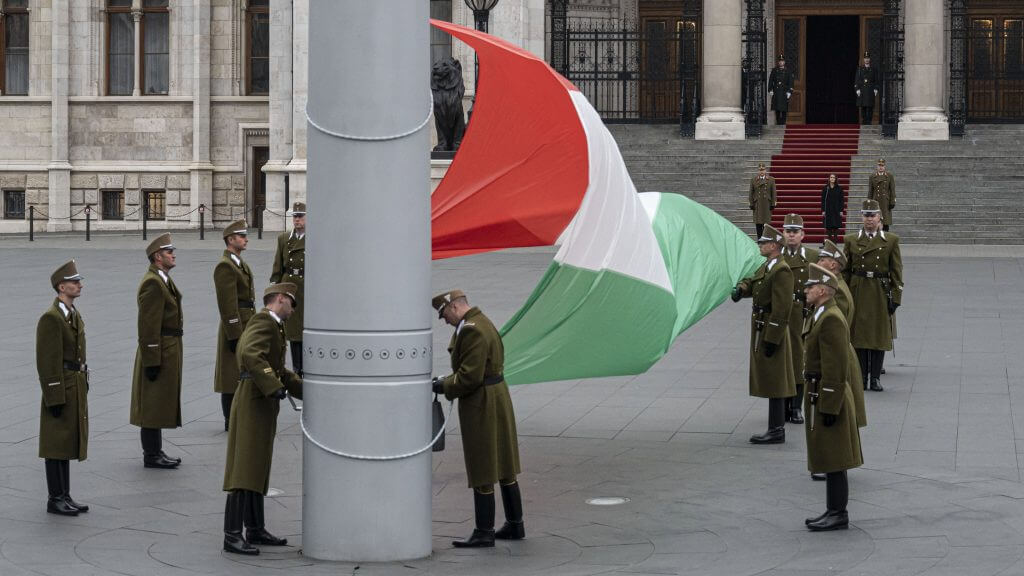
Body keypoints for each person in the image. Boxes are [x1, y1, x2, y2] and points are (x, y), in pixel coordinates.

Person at [432, 290, 523, 548]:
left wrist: (443, 385)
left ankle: (484, 531)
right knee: (505, 463)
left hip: (482, 401)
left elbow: (469, 377)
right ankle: (516, 524)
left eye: (443, 314)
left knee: (482, 462)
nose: (443, 320)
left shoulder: (471, 330)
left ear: (454, 308)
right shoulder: (481, 321)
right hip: (497, 397)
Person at [222, 283, 303, 556]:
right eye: (292, 303)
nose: (294, 309)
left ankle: (255, 528)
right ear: (280, 299)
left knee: (257, 467)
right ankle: (232, 535)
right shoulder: (263, 321)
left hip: (261, 402)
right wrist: (273, 384)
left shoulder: (275, 324)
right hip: (252, 401)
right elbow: (249, 354)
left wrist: (306, 390)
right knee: (244, 468)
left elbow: (278, 369)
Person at [802, 263, 863, 531]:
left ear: (824, 290)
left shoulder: (831, 319)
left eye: (811, 286)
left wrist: (829, 404)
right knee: (829, 455)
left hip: (829, 396)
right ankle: (832, 509)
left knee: (836, 458)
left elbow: (836, 367)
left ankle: (838, 512)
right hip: (821, 393)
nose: (806, 289)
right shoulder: (820, 313)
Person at [732, 225, 796, 444]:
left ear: (774, 246)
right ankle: (775, 427)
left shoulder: (782, 270)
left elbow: (782, 308)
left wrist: (772, 337)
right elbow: (755, 283)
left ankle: (777, 429)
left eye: (763, 242)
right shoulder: (768, 266)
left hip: (770, 329)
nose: (759, 245)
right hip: (762, 326)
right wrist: (741, 290)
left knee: (775, 378)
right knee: (770, 377)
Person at [36, 260, 90, 516]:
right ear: (61, 286)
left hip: (74, 383)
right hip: (60, 387)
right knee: (55, 444)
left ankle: (65, 495)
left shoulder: (73, 313)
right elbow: (47, 362)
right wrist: (54, 396)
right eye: (74, 282)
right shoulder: (51, 318)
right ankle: (54, 498)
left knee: (66, 441)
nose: (79, 285)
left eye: (78, 281)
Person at [130, 233, 184, 469]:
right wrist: (152, 359)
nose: (173, 255)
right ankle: (151, 454)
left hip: (169, 346)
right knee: (153, 401)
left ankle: (156, 450)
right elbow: (148, 325)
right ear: (157, 257)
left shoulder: (162, 279)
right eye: (169, 252)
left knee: (160, 399)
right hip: (158, 348)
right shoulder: (152, 283)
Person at [843, 200, 903, 393]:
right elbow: (845, 271)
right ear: (862, 217)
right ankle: (861, 376)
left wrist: (895, 297)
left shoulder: (891, 240)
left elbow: (896, 271)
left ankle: (875, 377)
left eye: (873, 215)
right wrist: (843, 295)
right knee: (859, 335)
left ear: (880, 218)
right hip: (858, 289)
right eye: (866, 215)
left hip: (879, 290)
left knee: (878, 335)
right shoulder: (851, 240)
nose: (869, 219)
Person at [817, 240, 866, 432]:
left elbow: (835, 328)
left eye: (823, 259)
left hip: (838, 355)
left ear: (833, 265)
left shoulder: (836, 292)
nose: (818, 262)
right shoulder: (836, 285)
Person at [214, 220, 256, 431]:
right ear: (230, 240)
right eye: (241, 236)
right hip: (236, 325)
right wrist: (233, 333)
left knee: (241, 371)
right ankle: (230, 419)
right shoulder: (225, 265)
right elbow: (227, 304)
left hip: (246, 322)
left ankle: (240, 415)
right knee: (230, 375)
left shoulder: (239, 262)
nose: (245, 239)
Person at [781, 214, 819, 425]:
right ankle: (782, 405)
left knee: (799, 360)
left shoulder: (812, 256)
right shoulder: (776, 256)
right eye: (788, 231)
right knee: (782, 360)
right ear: (783, 233)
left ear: (803, 234)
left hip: (802, 314)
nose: (792, 235)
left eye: (795, 231)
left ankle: (796, 407)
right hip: (782, 313)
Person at [270, 202, 306, 375]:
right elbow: (278, 266)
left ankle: (304, 368)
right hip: (289, 287)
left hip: (305, 288)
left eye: (300, 216)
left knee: (303, 330)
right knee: (291, 331)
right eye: (295, 216)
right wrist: (275, 289)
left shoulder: (313, 238)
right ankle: (296, 369)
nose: (297, 220)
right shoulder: (284, 238)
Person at [749, 162, 776, 239]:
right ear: (758, 171)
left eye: (763, 170)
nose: (761, 172)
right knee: (758, 224)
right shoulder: (753, 180)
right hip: (757, 204)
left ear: (765, 171)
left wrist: (773, 203)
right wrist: (751, 203)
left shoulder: (771, 180)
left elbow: (773, 192)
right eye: (760, 170)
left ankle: (765, 239)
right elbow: (751, 192)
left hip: (766, 204)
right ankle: (759, 240)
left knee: (766, 224)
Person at [867, 158, 895, 231]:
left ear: (885, 166)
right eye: (879, 165)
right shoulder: (872, 176)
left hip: (886, 202)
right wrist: (869, 202)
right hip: (876, 201)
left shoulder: (889, 176)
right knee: (875, 222)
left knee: (885, 222)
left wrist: (892, 201)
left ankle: (885, 239)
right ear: (877, 166)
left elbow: (892, 190)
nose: (881, 167)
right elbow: (870, 191)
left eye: (882, 165)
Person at [768, 55, 794, 125]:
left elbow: (790, 82)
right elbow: (771, 81)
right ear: (778, 62)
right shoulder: (774, 70)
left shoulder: (788, 71)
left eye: (782, 61)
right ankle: (778, 123)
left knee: (784, 108)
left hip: (784, 92)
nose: (781, 62)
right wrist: (770, 90)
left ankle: (783, 123)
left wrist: (789, 91)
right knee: (777, 109)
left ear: (784, 62)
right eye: (779, 61)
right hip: (776, 92)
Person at [854, 52, 878, 125]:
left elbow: (876, 80)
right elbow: (857, 80)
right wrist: (857, 89)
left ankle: (869, 121)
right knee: (863, 107)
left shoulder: (873, 69)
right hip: (863, 91)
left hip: (870, 90)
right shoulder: (860, 69)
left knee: (870, 107)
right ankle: (864, 121)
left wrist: (876, 89)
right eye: (865, 58)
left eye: (868, 58)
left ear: (869, 59)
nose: (866, 60)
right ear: (864, 59)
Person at [821, 174, 845, 243]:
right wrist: (823, 210)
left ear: (835, 179)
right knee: (828, 226)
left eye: (833, 177)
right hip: (828, 209)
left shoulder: (839, 188)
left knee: (835, 226)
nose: (832, 179)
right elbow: (823, 200)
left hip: (836, 209)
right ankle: (829, 242)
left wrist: (841, 210)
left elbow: (841, 200)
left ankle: (835, 241)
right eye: (831, 177)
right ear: (829, 179)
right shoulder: (826, 188)